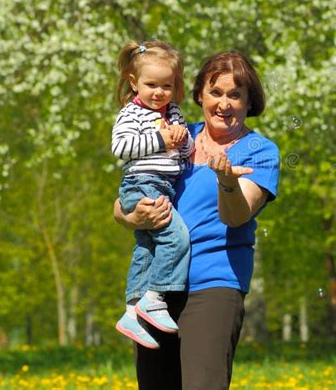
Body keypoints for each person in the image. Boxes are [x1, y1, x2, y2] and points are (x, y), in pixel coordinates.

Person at [114, 51, 280, 390]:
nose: (224, 103)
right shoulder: (175, 136)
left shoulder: (258, 151)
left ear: (250, 102)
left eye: (235, 95)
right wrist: (133, 216)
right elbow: (123, 201)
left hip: (213, 285)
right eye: (215, 92)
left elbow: (236, 216)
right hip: (155, 291)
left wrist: (227, 181)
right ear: (199, 96)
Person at [112, 40, 194, 349]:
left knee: (147, 248)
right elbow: (120, 148)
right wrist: (159, 138)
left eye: (167, 86)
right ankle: (155, 297)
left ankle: (132, 310)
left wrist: (182, 139)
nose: (159, 92)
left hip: (164, 185)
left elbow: (185, 152)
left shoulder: (174, 113)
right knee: (177, 239)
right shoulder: (130, 114)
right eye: (151, 85)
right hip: (142, 184)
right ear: (134, 83)